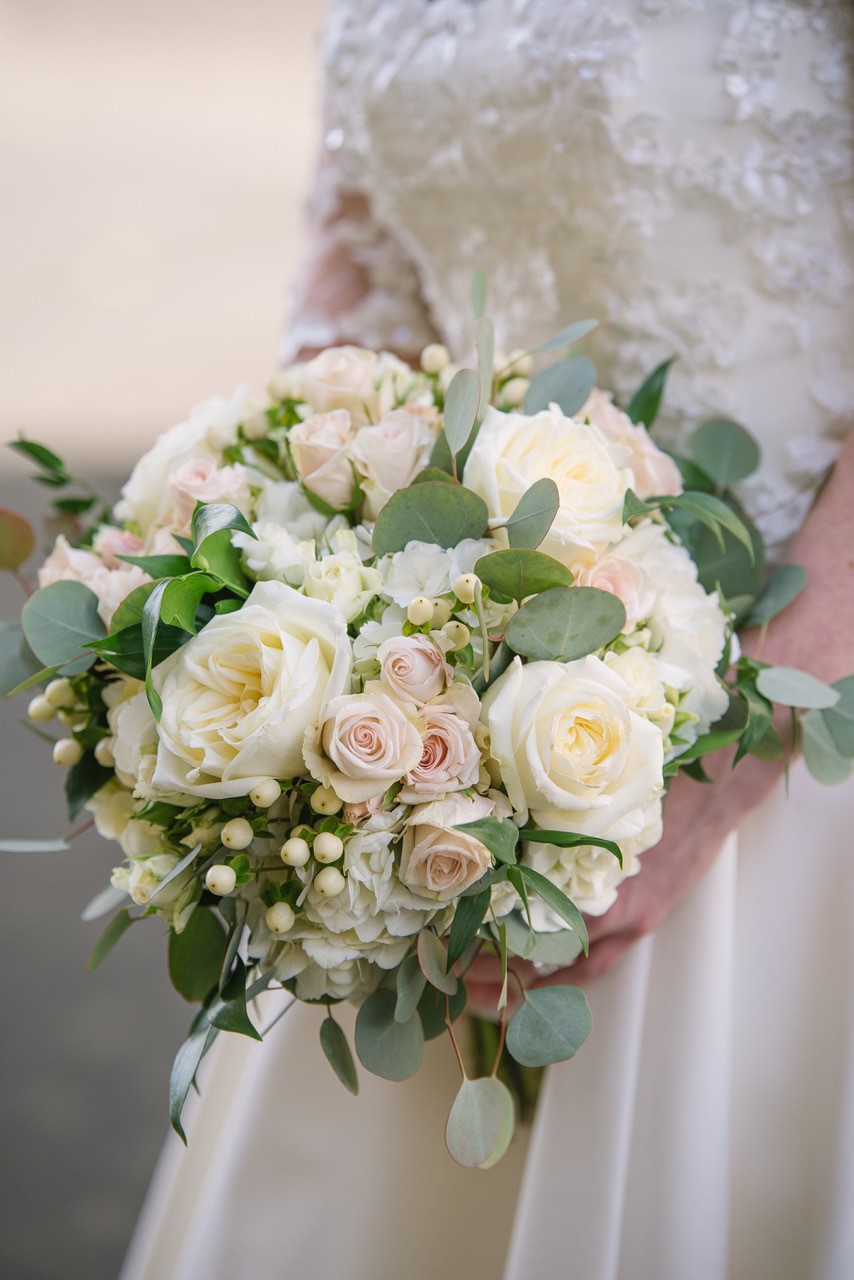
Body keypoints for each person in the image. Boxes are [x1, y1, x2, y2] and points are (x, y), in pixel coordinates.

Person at [121, 4, 854, 1277]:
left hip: (794, 702)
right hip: (448, 717)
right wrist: (299, 623)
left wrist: (719, 762)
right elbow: (355, 319)